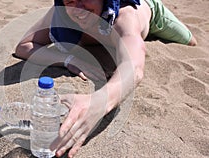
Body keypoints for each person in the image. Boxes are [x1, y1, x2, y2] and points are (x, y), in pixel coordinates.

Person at [14, 0, 197, 157]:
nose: (78, 7)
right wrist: (68, 59)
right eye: (70, 1)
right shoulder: (61, 13)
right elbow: (23, 46)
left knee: (190, 42)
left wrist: (98, 102)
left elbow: (133, 67)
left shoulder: (124, 18)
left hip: (149, 10)